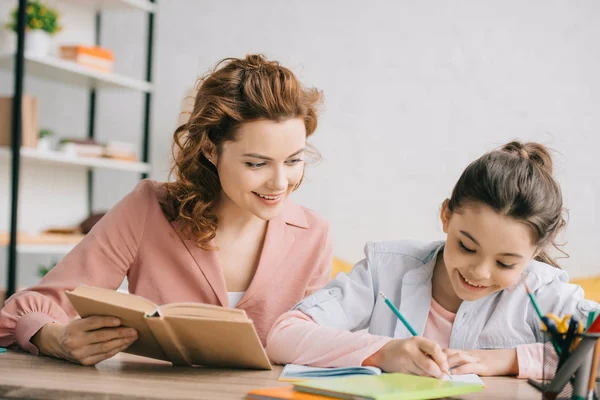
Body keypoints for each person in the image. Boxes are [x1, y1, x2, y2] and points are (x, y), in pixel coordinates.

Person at [0, 54, 332, 366]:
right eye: (256, 163)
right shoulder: (148, 209)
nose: (279, 182)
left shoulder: (313, 236)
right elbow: (20, 313)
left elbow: (320, 344)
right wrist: (55, 338)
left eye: (294, 161)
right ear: (210, 150)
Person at [266, 141, 599, 379]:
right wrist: (383, 352)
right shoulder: (387, 269)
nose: (479, 272)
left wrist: (509, 360)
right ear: (446, 216)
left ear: (535, 251)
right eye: (467, 247)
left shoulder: (542, 291)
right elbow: (283, 335)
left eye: (506, 264)